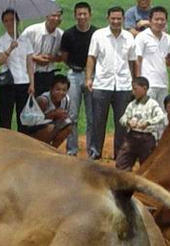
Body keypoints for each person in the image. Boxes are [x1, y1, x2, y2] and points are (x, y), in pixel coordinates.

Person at [86, 6, 136, 160]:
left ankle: (120, 154)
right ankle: (95, 151)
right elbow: (91, 58)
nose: (116, 21)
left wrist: (135, 82)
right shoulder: (99, 35)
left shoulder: (129, 37)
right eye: (113, 18)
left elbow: (132, 61)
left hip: (123, 84)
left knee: (122, 122)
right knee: (98, 120)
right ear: (108, 18)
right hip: (102, 83)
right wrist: (89, 78)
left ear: (123, 19)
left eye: (118, 19)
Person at [60, 2, 97, 156]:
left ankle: (92, 150)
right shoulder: (68, 34)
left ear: (90, 14)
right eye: (79, 14)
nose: (82, 17)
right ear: (75, 15)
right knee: (72, 114)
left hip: (92, 76)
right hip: (74, 75)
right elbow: (64, 57)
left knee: (92, 115)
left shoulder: (96, 33)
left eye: (85, 14)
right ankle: (72, 149)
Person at [115, 76, 166, 171]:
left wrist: (148, 123)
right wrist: (128, 122)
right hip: (132, 137)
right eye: (132, 89)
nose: (133, 92)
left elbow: (160, 116)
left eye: (135, 89)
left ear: (145, 88)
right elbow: (122, 118)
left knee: (147, 166)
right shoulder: (132, 105)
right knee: (122, 162)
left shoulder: (152, 104)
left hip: (146, 139)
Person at [0, 9, 32, 134]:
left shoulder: (25, 40)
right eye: (6, 21)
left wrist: (32, 83)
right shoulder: (0, 41)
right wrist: (10, 48)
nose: (9, 23)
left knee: (24, 119)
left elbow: (29, 63)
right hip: (8, 83)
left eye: (12, 20)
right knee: (5, 117)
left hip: (24, 82)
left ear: (17, 21)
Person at [135, 6, 170, 109]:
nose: (160, 22)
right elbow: (138, 60)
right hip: (148, 84)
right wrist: (138, 82)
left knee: (161, 117)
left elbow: (169, 61)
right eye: (156, 19)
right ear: (150, 20)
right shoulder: (142, 37)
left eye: (162, 19)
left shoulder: (167, 38)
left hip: (163, 84)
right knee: (146, 115)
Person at [24, 9, 64, 97]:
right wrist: (35, 58)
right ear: (46, 16)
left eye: (59, 16)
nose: (56, 18)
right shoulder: (31, 31)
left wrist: (52, 58)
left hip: (49, 75)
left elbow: (62, 57)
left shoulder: (61, 35)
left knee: (47, 105)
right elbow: (19, 52)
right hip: (30, 75)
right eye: (53, 15)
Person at [28, 74, 72, 148]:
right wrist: (53, 114)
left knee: (69, 126)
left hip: (53, 125)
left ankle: (53, 148)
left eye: (64, 90)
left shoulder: (66, 100)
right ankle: (40, 147)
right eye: (58, 89)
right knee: (50, 128)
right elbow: (34, 121)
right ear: (51, 89)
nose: (61, 93)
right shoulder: (43, 100)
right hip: (35, 130)